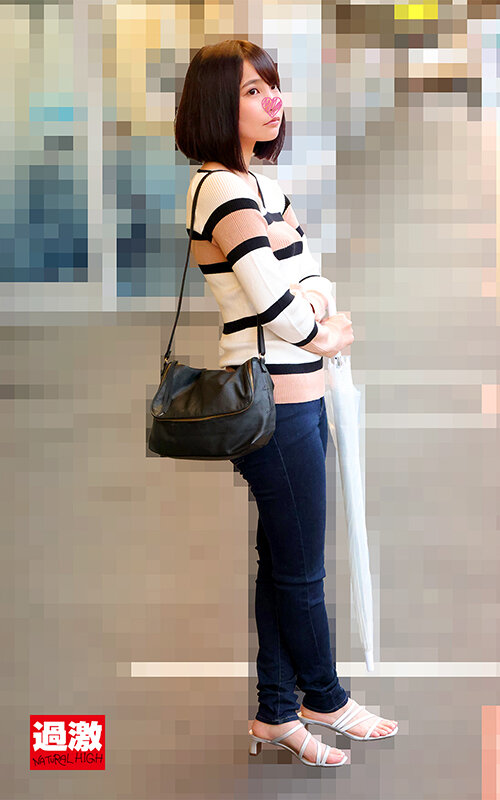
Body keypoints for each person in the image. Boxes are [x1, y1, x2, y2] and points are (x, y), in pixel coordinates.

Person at [174, 39, 398, 768]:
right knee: (301, 570)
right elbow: (276, 300)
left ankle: (275, 713)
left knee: (283, 559)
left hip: (301, 395)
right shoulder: (220, 189)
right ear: (216, 105)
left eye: (271, 86)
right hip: (273, 402)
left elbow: (310, 277)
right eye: (250, 91)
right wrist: (321, 331)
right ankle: (324, 698)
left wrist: (314, 309)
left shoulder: (260, 187)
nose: (272, 101)